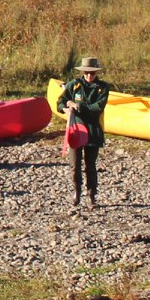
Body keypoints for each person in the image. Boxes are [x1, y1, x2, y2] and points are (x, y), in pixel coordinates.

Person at [56, 57, 111, 206]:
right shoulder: (74, 85)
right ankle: (77, 192)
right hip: (76, 130)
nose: (89, 76)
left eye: (92, 73)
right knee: (75, 165)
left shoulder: (103, 88)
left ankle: (91, 195)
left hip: (93, 131)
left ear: (96, 73)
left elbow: (97, 108)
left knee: (90, 166)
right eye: (86, 73)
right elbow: (59, 103)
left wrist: (78, 105)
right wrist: (66, 105)